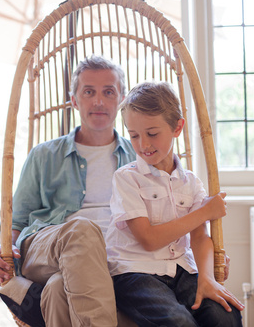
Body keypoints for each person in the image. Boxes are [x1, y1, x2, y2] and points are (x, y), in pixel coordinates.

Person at [0, 55, 136, 326]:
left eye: (108, 92)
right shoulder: (43, 155)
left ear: (122, 99)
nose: (99, 101)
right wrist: (2, 248)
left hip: (111, 257)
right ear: (75, 100)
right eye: (89, 92)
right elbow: (18, 222)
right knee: (81, 229)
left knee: (57, 289)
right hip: (46, 248)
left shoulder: (140, 158)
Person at [105, 81, 244, 326]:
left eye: (153, 133)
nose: (143, 145)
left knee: (226, 315)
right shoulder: (126, 179)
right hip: (135, 272)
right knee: (179, 322)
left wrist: (207, 278)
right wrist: (204, 212)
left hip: (182, 269)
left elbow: (200, 238)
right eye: (134, 135)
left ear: (177, 127)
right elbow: (149, 239)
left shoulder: (191, 183)